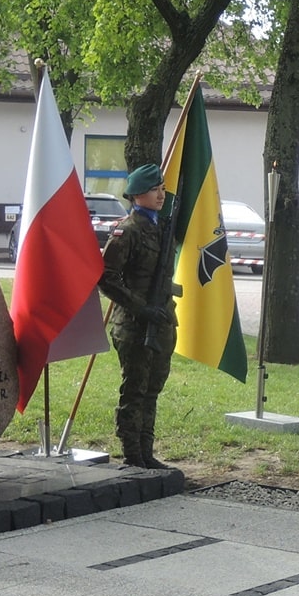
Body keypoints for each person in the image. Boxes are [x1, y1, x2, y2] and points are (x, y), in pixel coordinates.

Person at [99, 164, 179, 470]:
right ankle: (132, 454)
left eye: (162, 189)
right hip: (134, 325)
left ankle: (147, 451)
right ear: (136, 195)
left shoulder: (161, 227)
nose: (161, 195)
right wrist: (140, 307)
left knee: (153, 390)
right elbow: (106, 277)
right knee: (135, 390)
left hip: (161, 321)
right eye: (154, 189)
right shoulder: (128, 231)